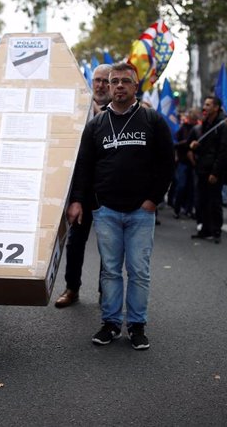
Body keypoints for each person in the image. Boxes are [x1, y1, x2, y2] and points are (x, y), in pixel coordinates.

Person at [67, 62, 174, 350]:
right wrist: (78, 200)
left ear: (135, 85)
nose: (118, 86)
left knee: (138, 270)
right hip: (107, 211)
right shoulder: (96, 125)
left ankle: (137, 326)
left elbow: (167, 164)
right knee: (110, 270)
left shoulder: (152, 121)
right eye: (114, 81)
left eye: (125, 81)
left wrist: (153, 199)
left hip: (141, 211)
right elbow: (84, 167)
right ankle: (111, 323)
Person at [54, 63, 112, 308]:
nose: (99, 85)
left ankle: (106, 292)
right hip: (82, 190)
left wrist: (95, 107)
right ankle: (72, 288)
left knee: (108, 247)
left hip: (108, 194)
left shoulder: (119, 112)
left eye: (104, 81)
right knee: (75, 242)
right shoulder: (80, 109)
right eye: (96, 80)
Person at [188, 96, 227, 243]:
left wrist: (215, 172)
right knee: (201, 201)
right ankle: (204, 229)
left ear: (216, 107)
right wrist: (195, 146)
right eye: (204, 104)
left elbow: (223, 151)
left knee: (214, 201)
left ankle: (216, 231)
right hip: (202, 169)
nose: (204, 107)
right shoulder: (206, 124)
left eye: (208, 105)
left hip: (213, 171)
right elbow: (206, 147)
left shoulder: (224, 125)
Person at [172, 109, 199, 219]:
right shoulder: (183, 128)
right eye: (192, 118)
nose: (193, 120)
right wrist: (186, 144)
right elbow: (176, 143)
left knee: (192, 188)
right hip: (183, 161)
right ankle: (177, 208)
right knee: (181, 186)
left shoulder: (198, 129)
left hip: (194, 163)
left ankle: (189, 209)